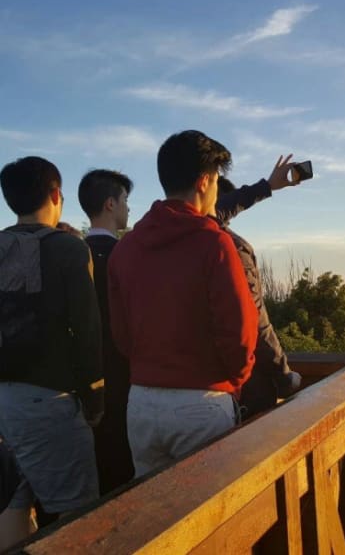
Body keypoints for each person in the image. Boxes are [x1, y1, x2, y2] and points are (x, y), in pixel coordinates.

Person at [107, 130, 258, 478]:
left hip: (142, 403)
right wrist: (236, 379)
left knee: (155, 519)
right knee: (213, 521)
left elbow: (121, 333)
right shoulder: (214, 243)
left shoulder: (126, 248)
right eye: (218, 181)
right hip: (201, 404)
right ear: (204, 181)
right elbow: (238, 332)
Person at [0, 156, 103, 550]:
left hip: (4, 401)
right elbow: (88, 329)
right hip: (49, 399)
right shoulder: (67, 248)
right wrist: (95, 395)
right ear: (56, 194)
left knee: (15, 500)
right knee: (79, 514)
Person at [216, 172, 302, 419]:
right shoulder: (229, 247)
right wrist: (283, 374)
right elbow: (254, 318)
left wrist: (267, 185)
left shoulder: (165, 242)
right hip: (239, 388)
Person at [78, 170, 135, 495]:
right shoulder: (128, 256)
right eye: (125, 201)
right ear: (110, 204)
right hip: (126, 378)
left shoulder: (74, 255)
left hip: (81, 386)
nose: (128, 209)